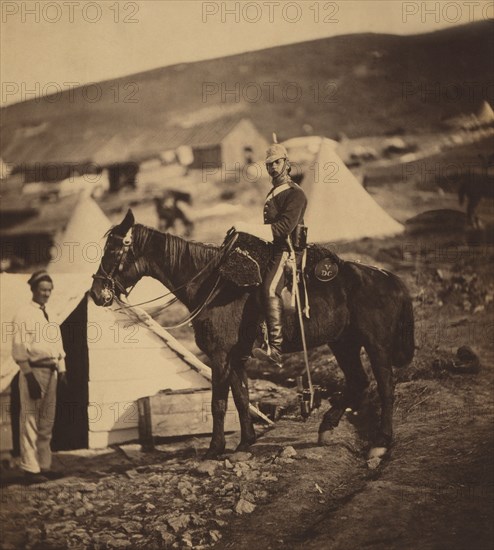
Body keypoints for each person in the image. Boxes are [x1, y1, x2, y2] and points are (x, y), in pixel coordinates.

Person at [234, 139, 308, 367]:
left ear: (287, 163)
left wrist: (247, 227)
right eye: (269, 164)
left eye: (277, 162)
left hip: (287, 251)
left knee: (269, 288)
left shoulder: (295, 194)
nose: (272, 167)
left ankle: (276, 348)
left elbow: (282, 229)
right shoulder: (275, 191)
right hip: (273, 248)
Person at [12, 270, 66, 483]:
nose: (46, 294)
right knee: (30, 421)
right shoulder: (23, 314)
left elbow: (57, 345)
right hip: (33, 372)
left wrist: (62, 370)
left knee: (46, 421)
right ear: (33, 290)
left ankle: (44, 465)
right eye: (42, 290)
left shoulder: (51, 314)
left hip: (51, 371)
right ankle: (30, 469)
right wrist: (29, 376)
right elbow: (18, 348)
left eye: (49, 290)